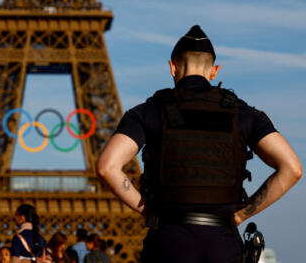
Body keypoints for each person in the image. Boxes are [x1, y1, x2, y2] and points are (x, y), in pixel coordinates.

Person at [97, 25, 302, 262]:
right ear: (214, 71)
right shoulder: (244, 114)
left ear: (172, 67)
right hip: (222, 243)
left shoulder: (149, 111)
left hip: (168, 241)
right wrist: (242, 214)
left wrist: (146, 210)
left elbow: (107, 167)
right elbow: (293, 169)